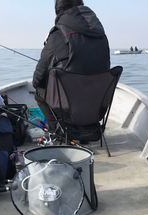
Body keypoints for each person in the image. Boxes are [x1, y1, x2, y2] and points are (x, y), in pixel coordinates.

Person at [33, 0, 110, 131]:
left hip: (70, 108)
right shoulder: (101, 35)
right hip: (96, 108)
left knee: (39, 92)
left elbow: (38, 78)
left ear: (58, 11)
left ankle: (58, 131)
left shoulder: (57, 34)